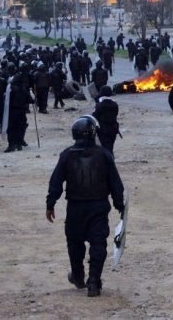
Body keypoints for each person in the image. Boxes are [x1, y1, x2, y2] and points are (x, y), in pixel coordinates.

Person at [46, 116, 125, 297]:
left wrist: (50, 203)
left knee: (75, 242)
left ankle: (78, 275)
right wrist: (119, 204)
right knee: (98, 242)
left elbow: (56, 181)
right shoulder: (104, 154)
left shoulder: (66, 155)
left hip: (75, 207)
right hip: (98, 206)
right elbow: (115, 182)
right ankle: (94, 281)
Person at [6, 81, 33, 152]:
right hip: (22, 111)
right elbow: (31, 100)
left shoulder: (11, 90)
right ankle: (19, 144)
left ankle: (11, 145)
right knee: (21, 128)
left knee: (11, 129)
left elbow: (7, 102)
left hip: (12, 112)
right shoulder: (23, 90)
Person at [92, 86, 120, 156]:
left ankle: (109, 163)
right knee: (110, 148)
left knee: (106, 149)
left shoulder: (100, 105)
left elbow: (95, 116)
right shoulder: (115, 104)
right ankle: (110, 161)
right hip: (113, 129)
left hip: (103, 130)